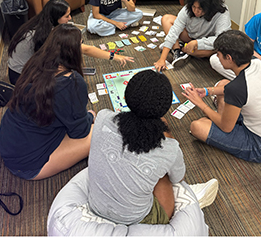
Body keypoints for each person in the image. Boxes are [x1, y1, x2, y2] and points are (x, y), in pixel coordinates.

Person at [88, 69, 218, 225]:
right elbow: (178, 177)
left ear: (127, 96)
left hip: (96, 204)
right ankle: (189, 199)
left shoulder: (103, 116)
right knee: (164, 175)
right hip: (135, 218)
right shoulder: (170, 148)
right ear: (164, 107)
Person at [0, 24, 96, 180]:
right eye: (81, 44)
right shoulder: (72, 82)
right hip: (27, 164)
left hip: (9, 143)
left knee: (88, 117)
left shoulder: (35, 62)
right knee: (98, 133)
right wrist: (89, 118)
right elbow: (80, 132)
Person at [182, 30, 261, 163]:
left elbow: (226, 127)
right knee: (223, 84)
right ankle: (223, 119)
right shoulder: (256, 63)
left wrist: (200, 103)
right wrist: (207, 91)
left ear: (229, 58)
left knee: (197, 126)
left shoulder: (237, 88)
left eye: (218, 55)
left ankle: (222, 120)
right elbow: (237, 89)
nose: (217, 57)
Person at [8, 0, 134, 84]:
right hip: (20, 76)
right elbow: (86, 49)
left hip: (19, 68)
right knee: (68, 74)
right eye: (66, 16)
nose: (70, 18)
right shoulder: (46, 34)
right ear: (56, 17)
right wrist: (114, 57)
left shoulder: (42, 21)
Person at [154, 0, 231, 71]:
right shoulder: (188, 8)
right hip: (189, 35)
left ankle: (183, 48)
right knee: (166, 19)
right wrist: (162, 59)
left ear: (210, 7)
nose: (196, 11)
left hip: (205, 42)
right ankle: (177, 50)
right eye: (194, 7)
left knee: (198, 52)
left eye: (200, 9)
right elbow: (174, 31)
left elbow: (222, 39)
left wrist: (198, 43)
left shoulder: (221, 12)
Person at [210, 8, 261, 80]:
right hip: (252, 58)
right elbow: (245, 48)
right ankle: (254, 84)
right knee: (216, 60)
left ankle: (248, 82)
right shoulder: (259, 18)